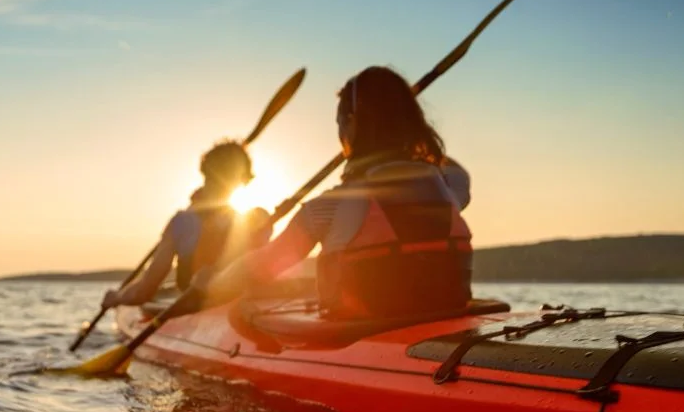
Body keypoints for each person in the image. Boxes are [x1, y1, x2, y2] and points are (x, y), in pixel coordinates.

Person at [195, 66, 474, 319]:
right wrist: (408, 132)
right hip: (444, 309)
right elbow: (456, 171)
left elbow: (261, 266)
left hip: (364, 324)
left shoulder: (331, 207)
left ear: (351, 126)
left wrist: (211, 284)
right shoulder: (445, 187)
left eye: (339, 123)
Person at [100, 140, 272, 310]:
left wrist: (117, 297)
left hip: (203, 306)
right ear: (243, 180)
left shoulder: (181, 223)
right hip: (241, 308)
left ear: (205, 173)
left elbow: (144, 291)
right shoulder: (257, 220)